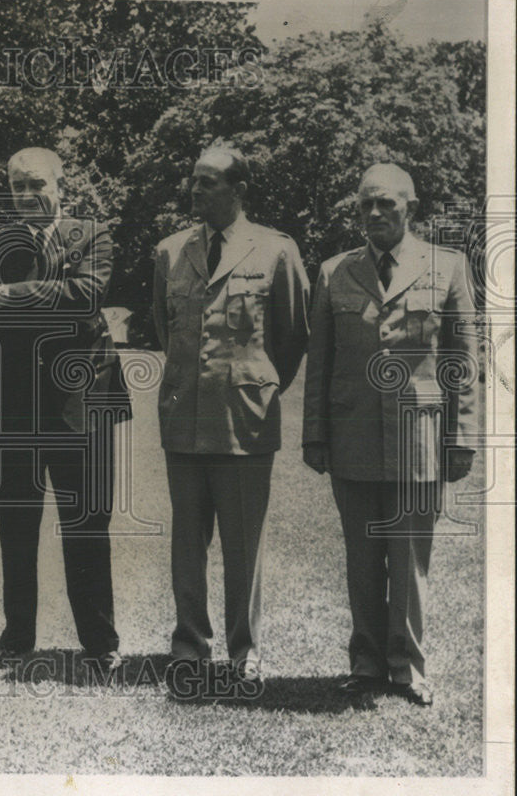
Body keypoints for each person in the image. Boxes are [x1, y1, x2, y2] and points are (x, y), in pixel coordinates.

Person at [302, 163, 478, 707]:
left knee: (408, 558)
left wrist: (463, 435)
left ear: (411, 206)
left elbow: (461, 362)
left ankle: (408, 668)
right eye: (365, 205)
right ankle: (366, 662)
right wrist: (315, 435)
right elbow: (320, 364)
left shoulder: (446, 266)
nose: (374, 214)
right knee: (361, 558)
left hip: (417, 438)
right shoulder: (334, 272)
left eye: (387, 204)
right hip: (352, 433)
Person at [152, 144, 310, 694]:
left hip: (244, 423)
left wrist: (255, 385)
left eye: (209, 183)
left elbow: (290, 339)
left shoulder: (276, 251)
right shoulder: (170, 252)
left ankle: (245, 651)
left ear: (239, 190)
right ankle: (189, 647)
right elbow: (164, 331)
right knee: (186, 545)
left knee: (245, 544)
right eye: (193, 180)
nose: (195, 191)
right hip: (184, 419)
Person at [0, 147, 131, 679]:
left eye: (37, 184)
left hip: (80, 406)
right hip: (13, 407)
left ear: (62, 185)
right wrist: (44, 301)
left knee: (87, 527)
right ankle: (17, 638)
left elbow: (85, 296)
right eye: (17, 186)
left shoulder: (91, 233)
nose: (27, 195)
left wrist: (15, 296)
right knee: (15, 528)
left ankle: (100, 644)